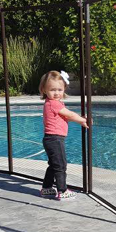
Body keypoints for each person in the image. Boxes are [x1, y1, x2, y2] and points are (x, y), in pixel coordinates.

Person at [38, 71, 89, 200]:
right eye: (52, 90)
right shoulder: (53, 103)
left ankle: (46, 188)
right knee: (61, 165)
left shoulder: (53, 104)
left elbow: (65, 118)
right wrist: (81, 120)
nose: (56, 93)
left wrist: (80, 120)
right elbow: (70, 115)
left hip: (51, 138)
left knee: (53, 165)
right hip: (54, 139)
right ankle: (62, 190)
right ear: (44, 90)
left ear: (64, 88)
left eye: (59, 89)